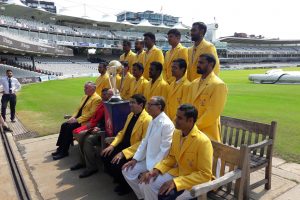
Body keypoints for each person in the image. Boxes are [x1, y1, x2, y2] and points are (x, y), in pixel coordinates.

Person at [142, 104, 213, 200]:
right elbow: (172, 157)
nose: (175, 119)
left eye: (179, 118)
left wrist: (176, 182)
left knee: (167, 197)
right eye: (176, 116)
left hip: (192, 182)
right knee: (148, 182)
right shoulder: (176, 133)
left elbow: (205, 175)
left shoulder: (203, 142)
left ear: (190, 121)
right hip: (177, 173)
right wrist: (156, 170)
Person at [122, 96, 175, 200]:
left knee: (145, 183)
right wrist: (135, 159)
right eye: (148, 104)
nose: (147, 107)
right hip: (148, 159)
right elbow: (145, 141)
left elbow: (165, 150)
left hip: (159, 163)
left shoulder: (167, 124)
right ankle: (142, 197)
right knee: (127, 170)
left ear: (159, 107)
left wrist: (152, 170)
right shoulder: (152, 120)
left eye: (150, 105)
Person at [101, 94, 152, 195]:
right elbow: (122, 132)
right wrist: (112, 145)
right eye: (130, 102)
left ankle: (125, 186)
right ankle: (118, 178)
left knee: (117, 163)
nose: (130, 105)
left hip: (135, 150)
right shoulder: (130, 115)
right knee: (105, 155)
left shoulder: (147, 120)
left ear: (141, 105)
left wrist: (123, 153)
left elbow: (143, 142)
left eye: (133, 102)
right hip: (125, 144)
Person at [69, 88, 113, 178]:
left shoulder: (113, 107)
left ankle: (91, 167)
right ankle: (83, 162)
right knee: (79, 135)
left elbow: (110, 123)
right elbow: (97, 118)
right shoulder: (102, 104)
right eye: (104, 94)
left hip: (105, 132)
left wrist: (98, 128)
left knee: (87, 139)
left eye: (108, 95)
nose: (105, 96)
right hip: (96, 127)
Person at [52, 82, 101, 160]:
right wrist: (73, 118)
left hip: (85, 122)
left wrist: (77, 120)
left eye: (86, 88)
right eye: (84, 87)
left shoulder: (97, 99)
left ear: (93, 89)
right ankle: (60, 148)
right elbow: (78, 109)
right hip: (77, 119)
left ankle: (64, 151)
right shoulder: (85, 96)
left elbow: (91, 114)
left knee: (68, 128)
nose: (84, 89)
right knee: (64, 125)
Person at [187, 54, 227, 142]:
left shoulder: (218, 85)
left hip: (208, 134)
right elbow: (188, 105)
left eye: (201, 62)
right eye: (198, 62)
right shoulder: (194, 83)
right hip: (191, 131)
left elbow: (213, 113)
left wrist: (193, 126)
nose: (198, 65)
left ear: (211, 64)